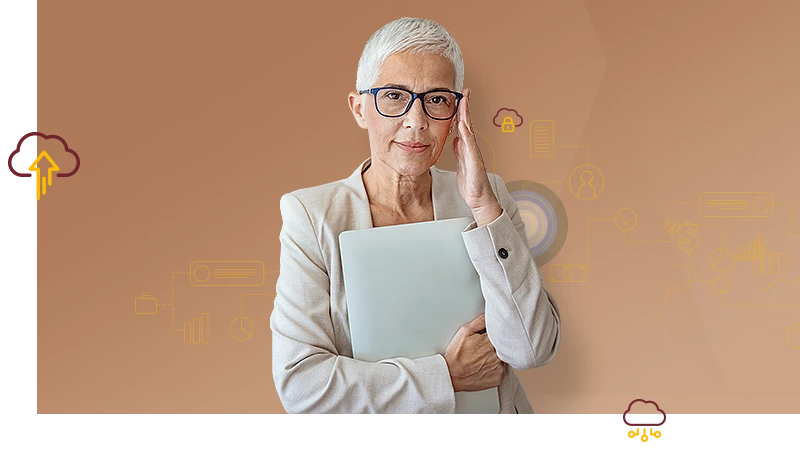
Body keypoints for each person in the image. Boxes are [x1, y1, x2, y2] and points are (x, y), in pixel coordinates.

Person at [270, 17, 561, 415]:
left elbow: (531, 348)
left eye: (437, 99)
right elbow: (302, 386)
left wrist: (482, 205)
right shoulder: (312, 216)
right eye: (394, 96)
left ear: (459, 111)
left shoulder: (487, 200)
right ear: (359, 109)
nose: (416, 121)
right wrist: (446, 375)